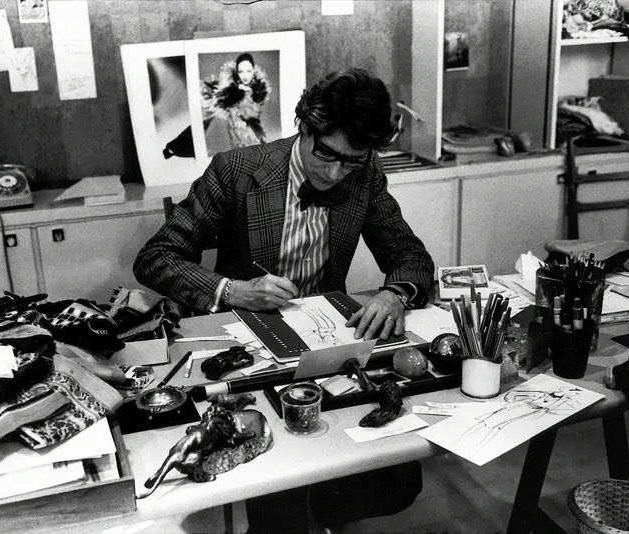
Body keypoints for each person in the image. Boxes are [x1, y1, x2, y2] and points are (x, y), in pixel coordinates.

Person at [134, 68, 432, 532]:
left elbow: (409, 255)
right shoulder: (237, 171)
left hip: (326, 348)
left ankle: (321, 506)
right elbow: (155, 258)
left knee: (399, 478)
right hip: (247, 350)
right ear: (305, 126)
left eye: (351, 162)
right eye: (326, 154)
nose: (335, 174)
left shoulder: (366, 176)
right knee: (280, 505)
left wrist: (396, 292)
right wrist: (232, 289)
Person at [201, 52, 270, 149]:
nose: (245, 76)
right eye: (241, 72)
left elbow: (253, 116)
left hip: (256, 137)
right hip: (239, 138)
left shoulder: (257, 91)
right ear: (237, 72)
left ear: (253, 71)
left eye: (248, 71)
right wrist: (239, 93)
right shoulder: (230, 93)